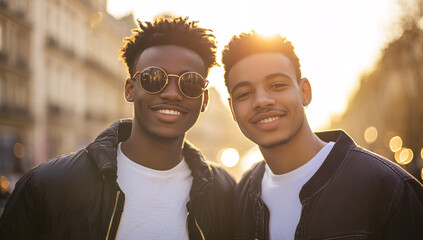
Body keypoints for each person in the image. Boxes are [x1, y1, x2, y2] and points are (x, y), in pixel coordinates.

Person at [0, 17, 235, 240]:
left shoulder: (225, 192)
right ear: (130, 90)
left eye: (190, 83)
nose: (172, 93)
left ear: (204, 100)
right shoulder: (46, 185)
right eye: (154, 78)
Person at [221, 31, 423, 240]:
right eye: (244, 94)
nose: (262, 101)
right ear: (232, 109)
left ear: (305, 92)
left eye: (277, 85)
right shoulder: (242, 194)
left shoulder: (389, 188)